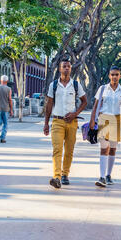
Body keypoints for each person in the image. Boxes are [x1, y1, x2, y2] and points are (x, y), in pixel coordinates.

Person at [43, 58, 87, 189]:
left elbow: (85, 101)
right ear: (60, 69)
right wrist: (46, 123)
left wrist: (75, 113)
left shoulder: (75, 85)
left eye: (68, 66)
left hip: (72, 122)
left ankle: (65, 174)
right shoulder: (54, 85)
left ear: (71, 68)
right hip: (57, 121)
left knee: (69, 150)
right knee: (57, 149)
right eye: (64, 66)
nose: (66, 68)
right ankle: (56, 176)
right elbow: (49, 103)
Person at [90, 65, 121, 187]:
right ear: (109, 76)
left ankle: (108, 175)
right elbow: (96, 105)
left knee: (113, 148)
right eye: (112, 74)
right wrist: (92, 119)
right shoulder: (103, 89)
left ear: (120, 76)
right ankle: (101, 177)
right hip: (104, 119)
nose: (114, 77)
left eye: (116, 74)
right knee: (104, 147)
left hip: (117, 119)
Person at [0, 75, 13, 144]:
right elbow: (10, 99)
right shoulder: (9, 89)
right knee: (5, 124)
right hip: (6, 109)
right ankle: (2, 138)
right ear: (7, 81)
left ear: (1, 80)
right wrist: (11, 109)